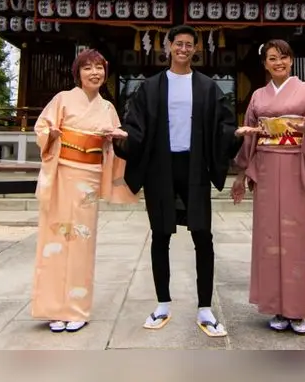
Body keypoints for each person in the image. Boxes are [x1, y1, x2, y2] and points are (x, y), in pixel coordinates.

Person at [115, 25, 240, 338]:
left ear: (195, 49)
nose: (183, 49)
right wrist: (123, 140)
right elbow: (136, 127)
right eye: (178, 44)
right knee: (160, 235)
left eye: (189, 45)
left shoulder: (208, 87)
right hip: (161, 166)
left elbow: (222, 125)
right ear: (168, 46)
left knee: (203, 236)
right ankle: (162, 304)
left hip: (195, 166)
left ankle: (204, 307)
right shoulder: (152, 87)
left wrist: (235, 136)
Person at [30, 48, 138, 333]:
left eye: (99, 68)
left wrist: (118, 137)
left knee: (81, 243)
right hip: (62, 172)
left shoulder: (108, 108)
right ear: (77, 73)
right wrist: (51, 135)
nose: (95, 73)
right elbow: (41, 128)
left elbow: (117, 145)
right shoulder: (62, 99)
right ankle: (53, 308)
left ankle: (77, 308)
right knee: (54, 242)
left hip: (89, 178)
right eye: (88, 68)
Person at [232, 39, 305, 335]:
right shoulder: (258, 96)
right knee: (269, 237)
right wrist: (242, 171)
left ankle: (298, 311)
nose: (278, 62)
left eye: (283, 58)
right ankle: (276, 307)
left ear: (291, 61)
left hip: (294, 163)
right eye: (272, 58)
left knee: (295, 237)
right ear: (264, 64)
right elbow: (251, 134)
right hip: (264, 166)